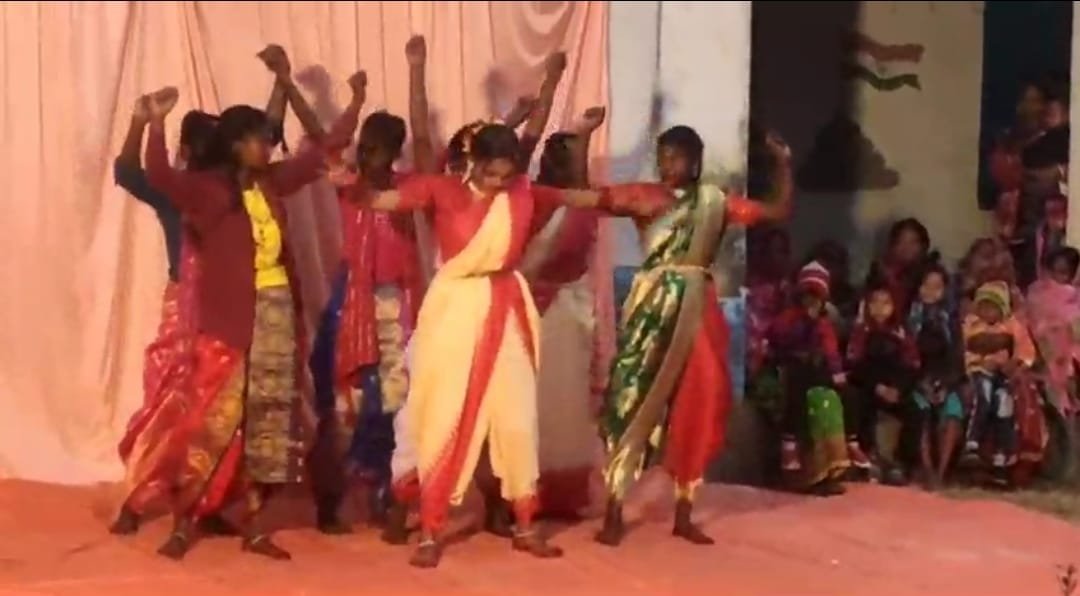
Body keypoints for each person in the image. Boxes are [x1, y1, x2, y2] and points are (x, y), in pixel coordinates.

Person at [350, 122, 670, 568]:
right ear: (474, 163)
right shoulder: (441, 189)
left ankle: (525, 525)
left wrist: (634, 198)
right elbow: (380, 200)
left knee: (517, 418)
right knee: (443, 416)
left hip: (507, 307)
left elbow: (585, 199)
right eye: (491, 174)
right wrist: (350, 183)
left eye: (506, 174)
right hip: (454, 311)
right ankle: (430, 530)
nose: (499, 183)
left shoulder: (524, 193)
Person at [142, 68, 363, 561]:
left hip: (277, 314)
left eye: (268, 140)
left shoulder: (270, 182)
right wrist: (154, 123)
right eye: (259, 140)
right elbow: (158, 176)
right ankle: (185, 522)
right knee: (210, 423)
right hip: (229, 323)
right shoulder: (206, 188)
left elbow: (322, 151)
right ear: (235, 145)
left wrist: (354, 103)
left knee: (270, 423)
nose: (268, 148)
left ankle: (256, 526)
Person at [594, 125, 793, 547]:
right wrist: (581, 137)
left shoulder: (714, 202)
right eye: (663, 157)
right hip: (652, 310)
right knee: (631, 396)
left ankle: (684, 511)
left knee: (699, 399)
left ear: (695, 161)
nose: (668, 165)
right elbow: (590, 198)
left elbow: (776, 212)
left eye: (676, 157)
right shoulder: (643, 197)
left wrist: (782, 163)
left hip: (698, 310)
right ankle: (614, 509)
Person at [111, 71, 288, 535]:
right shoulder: (183, 193)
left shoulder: (225, 192)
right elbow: (128, 172)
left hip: (221, 314)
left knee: (211, 412)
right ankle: (139, 498)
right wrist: (142, 120)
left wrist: (281, 84)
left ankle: (201, 503)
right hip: (188, 318)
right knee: (176, 412)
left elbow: (269, 138)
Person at [520, 106, 608, 520]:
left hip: (568, 309)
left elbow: (583, 186)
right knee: (538, 403)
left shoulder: (577, 202)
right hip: (538, 309)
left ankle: (562, 494)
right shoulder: (534, 202)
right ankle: (527, 493)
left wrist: (585, 133)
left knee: (567, 405)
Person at [766, 261, 851, 495]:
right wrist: (805, 322)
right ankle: (801, 470)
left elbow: (831, 352)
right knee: (802, 408)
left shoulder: (824, 323)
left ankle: (829, 470)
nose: (811, 301)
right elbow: (778, 337)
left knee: (832, 403)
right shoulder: (789, 318)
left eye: (816, 296)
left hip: (817, 378)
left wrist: (837, 376)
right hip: (793, 374)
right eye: (807, 295)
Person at [961, 280, 1038, 485]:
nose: (987, 312)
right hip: (978, 371)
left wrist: (1014, 364)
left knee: (1004, 404)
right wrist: (981, 362)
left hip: (1004, 376)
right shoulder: (971, 325)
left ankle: (1002, 458)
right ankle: (972, 443)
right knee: (984, 395)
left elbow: (1027, 353)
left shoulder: (1012, 326)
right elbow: (963, 351)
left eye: (992, 307)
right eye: (983, 307)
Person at [846, 282, 921, 485]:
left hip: (895, 389)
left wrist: (897, 388)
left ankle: (901, 464)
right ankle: (868, 458)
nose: (880, 308)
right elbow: (855, 365)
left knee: (916, 411)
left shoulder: (901, 332)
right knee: (859, 404)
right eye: (875, 303)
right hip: (868, 387)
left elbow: (912, 366)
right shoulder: (861, 331)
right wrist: (877, 387)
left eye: (886, 303)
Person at [907, 263, 964, 489]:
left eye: (937, 287)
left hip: (945, 381)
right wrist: (922, 384)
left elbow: (957, 359)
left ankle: (942, 471)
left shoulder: (950, 321)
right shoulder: (909, 319)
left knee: (953, 412)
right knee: (921, 412)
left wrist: (945, 385)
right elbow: (905, 358)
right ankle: (927, 469)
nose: (930, 291)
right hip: (916, 381)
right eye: (926, 285)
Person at [1025, 246, 1080, 415]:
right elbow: (1032, 320)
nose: (1056, 277)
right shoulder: (1037, 292)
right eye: (1053, 271)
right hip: (1044, 353)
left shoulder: (1075, 296)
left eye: (1063, 272)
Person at [865, 217, 935, 316]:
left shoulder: (930, 275)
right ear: (892, 245)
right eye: (901, 241)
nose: (907, 247)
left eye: (913, 242)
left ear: (923, 246)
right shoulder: (879, 273)